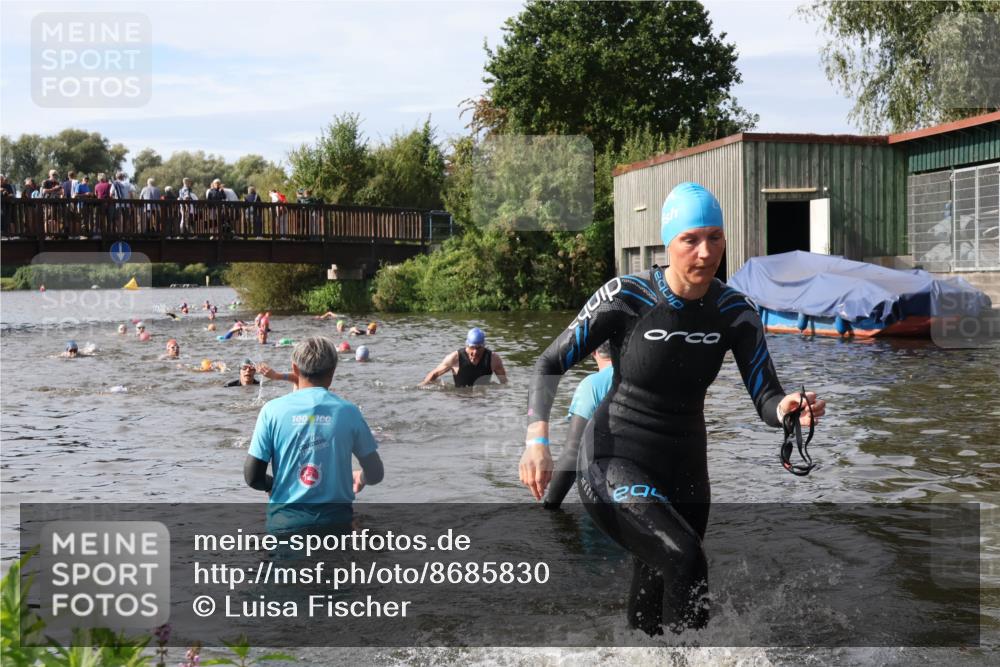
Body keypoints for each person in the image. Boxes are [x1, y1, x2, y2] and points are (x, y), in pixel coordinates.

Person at [518, 182, 826, 637]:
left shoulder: (735, 312)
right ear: (669, 242)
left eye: (715, 238)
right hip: (612, 459)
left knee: (660, 585)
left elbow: (765, 394)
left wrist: (788, 409)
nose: (706, 252)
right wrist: (536, 441)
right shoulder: (628, 297)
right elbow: (549, 362)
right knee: (686, 557)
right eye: (692, 239)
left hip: (685, 469)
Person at [243, 337, 384, 534]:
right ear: (333, 370)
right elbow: (376, 473)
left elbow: (252, 477)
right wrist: (360, 478)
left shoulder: (271, 411)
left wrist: (275, 485)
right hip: (336, 525)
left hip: (285, 525)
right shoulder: (349, 412)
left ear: (294, 368)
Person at [543, 342, 614, 510]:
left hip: (611, 488)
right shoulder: (646, 381)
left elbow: (572, 453)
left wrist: (550, 507)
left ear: (593, 351)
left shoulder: (592, 385)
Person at [420, 327, 508, 388]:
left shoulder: (493, 359)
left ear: (484, 346)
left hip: (483, 400)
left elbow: (504, 383)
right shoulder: (455, 358)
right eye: (472, 347)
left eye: (478, 348)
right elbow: (434, 374)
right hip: (461, 400)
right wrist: (421, 387)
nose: (475, 352)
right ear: (467, 345)